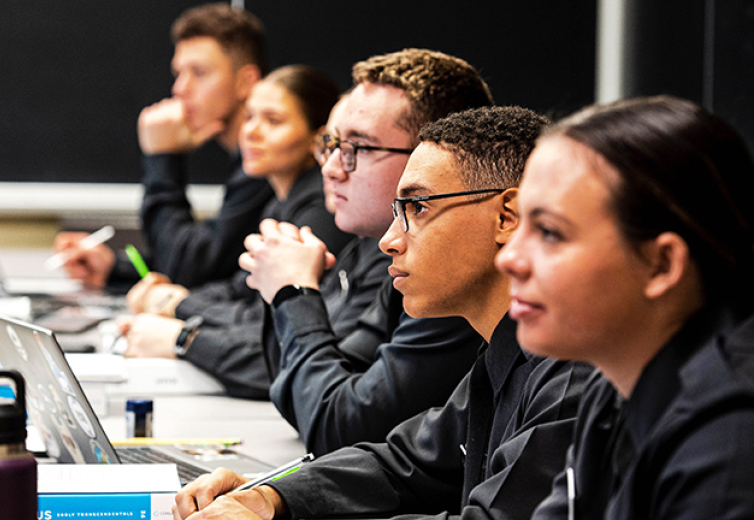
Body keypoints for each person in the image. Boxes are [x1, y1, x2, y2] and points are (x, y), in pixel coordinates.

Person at [175, 106, 593, 520]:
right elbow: (406, 463)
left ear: (507, 217)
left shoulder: (568, 374)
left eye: (419, 208)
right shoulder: (505, 352)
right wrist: (271, 497)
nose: (390, 240)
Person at [492, 96, 754, 519]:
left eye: (550, 232)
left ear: (662, 263)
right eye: (520, 223)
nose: (508, 258)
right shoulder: (613, 383)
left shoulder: (731, 445)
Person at [240, 49, 496, 454]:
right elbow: (308, 398)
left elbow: (340, 428)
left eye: (360, 147)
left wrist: (294, 294)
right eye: (333, 144)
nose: (331, 168)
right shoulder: (388, 253)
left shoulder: (453, 273)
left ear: (429, 159)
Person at [116, 65, 352, 400]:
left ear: (319, 137)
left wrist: (179, 306)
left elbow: (265, 316)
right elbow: (240, 288)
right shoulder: (279, 202)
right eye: (250, 117)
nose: (251, 132)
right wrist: (175, 299)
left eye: (273, 121)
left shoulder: (322, 210)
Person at [53, 3, 273, 289]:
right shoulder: (244, 162)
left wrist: (162, 158)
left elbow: (188, 267)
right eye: (179, 73)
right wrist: (114, 268)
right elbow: (213, 262)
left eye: (199, 72)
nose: (180, 88)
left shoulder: (266, 163)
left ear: (246, 81)